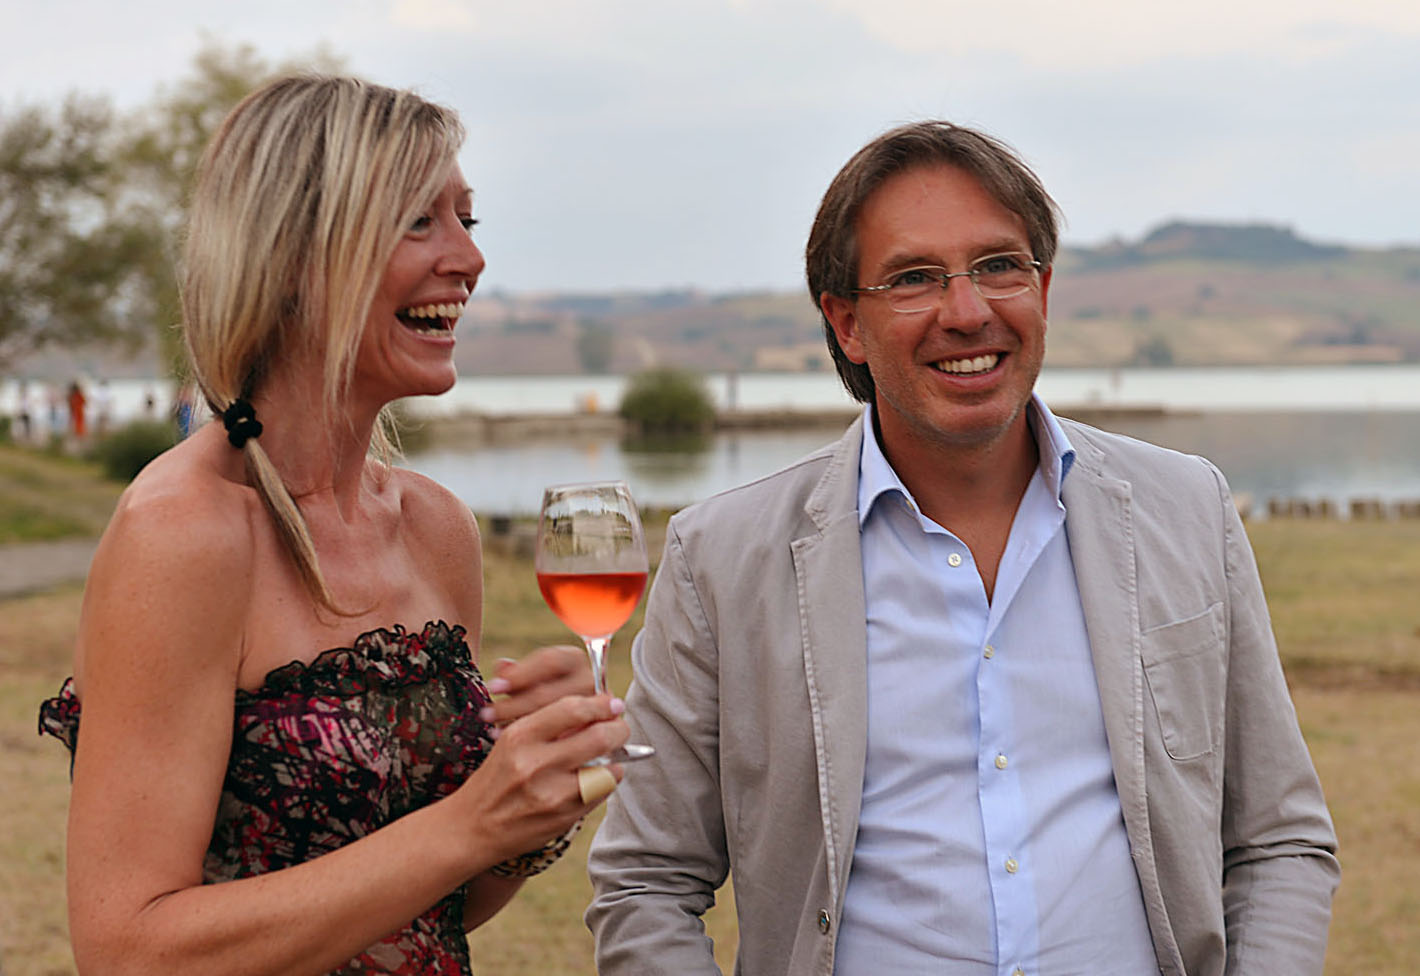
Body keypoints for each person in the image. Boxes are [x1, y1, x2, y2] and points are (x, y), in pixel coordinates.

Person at [586, 121, 1339, 975]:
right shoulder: (722, 560)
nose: (968, 312)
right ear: (846, 323)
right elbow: (645, 883)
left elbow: (1279, 839)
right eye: (914, 278)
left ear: (1043, 290)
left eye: (999, 266)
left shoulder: (1187, 507)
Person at [38, 74, 629, 976]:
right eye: (417, 222)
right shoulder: (184, 533)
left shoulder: (436, 529)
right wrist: (468, 823)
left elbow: (441, 909)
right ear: (291, 259)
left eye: (467, 218)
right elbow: (126, 950)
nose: (469, 258)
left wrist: (533, 787)